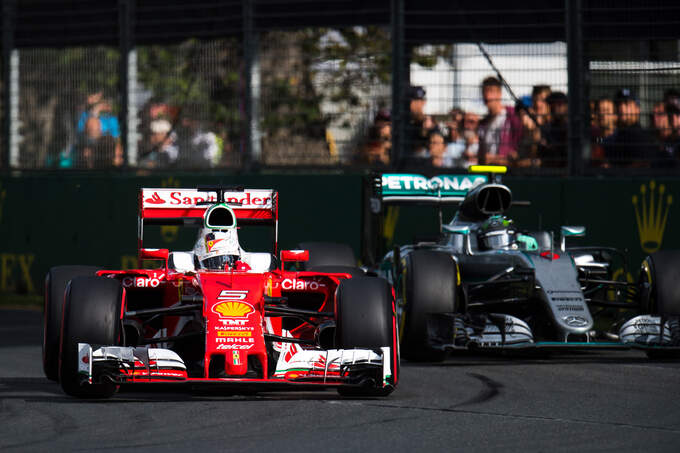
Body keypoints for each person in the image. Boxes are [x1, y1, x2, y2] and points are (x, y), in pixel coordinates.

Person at [603, 88, 656, 168]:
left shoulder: (642, 138)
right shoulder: (614, 137)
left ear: (637, 109)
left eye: (626, 104)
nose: (622, 108)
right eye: (618, 104)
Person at [477, 77, 522, 166]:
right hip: (488, 173)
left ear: (499, 94)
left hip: (508, 174)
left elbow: (517, 155)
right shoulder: (483, 124)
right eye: (484, 91)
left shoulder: (513, 117)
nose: (487, 95)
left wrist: (493, 159)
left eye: (491, 91)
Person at [541, 91, 569, 167]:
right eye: (552, 105)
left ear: (566, 106)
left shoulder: (571, 129)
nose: (555, 108)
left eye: (559, 105)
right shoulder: (546, 128)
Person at [591, 98, 617, 167]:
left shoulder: (620, 139)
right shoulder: (592, 139)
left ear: (615, 115)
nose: (602, 114)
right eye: (599, 110)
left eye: (606, 110)